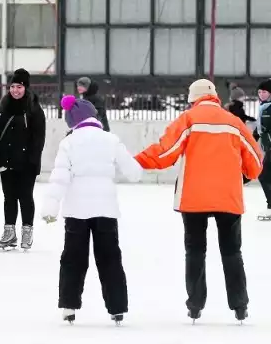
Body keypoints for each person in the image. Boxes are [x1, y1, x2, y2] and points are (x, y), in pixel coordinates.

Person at [134, 78, 262, 322]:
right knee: (232, 252)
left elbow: (165, 152)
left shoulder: (188, 120)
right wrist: (245, 174)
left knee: (195, 251)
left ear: (193, 99)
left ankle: (195, 304)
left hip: (194, 198)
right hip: (228, 198)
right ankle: (239, 305)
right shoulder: (234, 122)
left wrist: (136, 160)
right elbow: (255, 161)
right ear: (215, 97)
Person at [41, 95, 141, 325]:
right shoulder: (111, 139)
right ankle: (117, 308)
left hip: (76, 211)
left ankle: (68, 305)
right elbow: (133, 173)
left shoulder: (69, 143)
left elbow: (59, 177)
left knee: (73, 259)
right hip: (106, 209)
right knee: (110, 259)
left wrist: (50, 207)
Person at [0, 68, 46, 251]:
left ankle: (27, 230)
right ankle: (9, 233)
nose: (15, 90)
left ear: (25, 88)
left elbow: (39, 138)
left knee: (25, 197)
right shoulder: (4, 107)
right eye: (12, 86)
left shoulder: (34, 109)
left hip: (26, 163)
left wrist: (33, 161)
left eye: (19, 87)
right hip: (6, 161)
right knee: (9, 197)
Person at [254, 79, 271, 220]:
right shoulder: (263, 107)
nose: (261, 94)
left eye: (264, 92)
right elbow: (258, 129)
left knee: (264, 176)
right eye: (259, 92)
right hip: (268, 148)